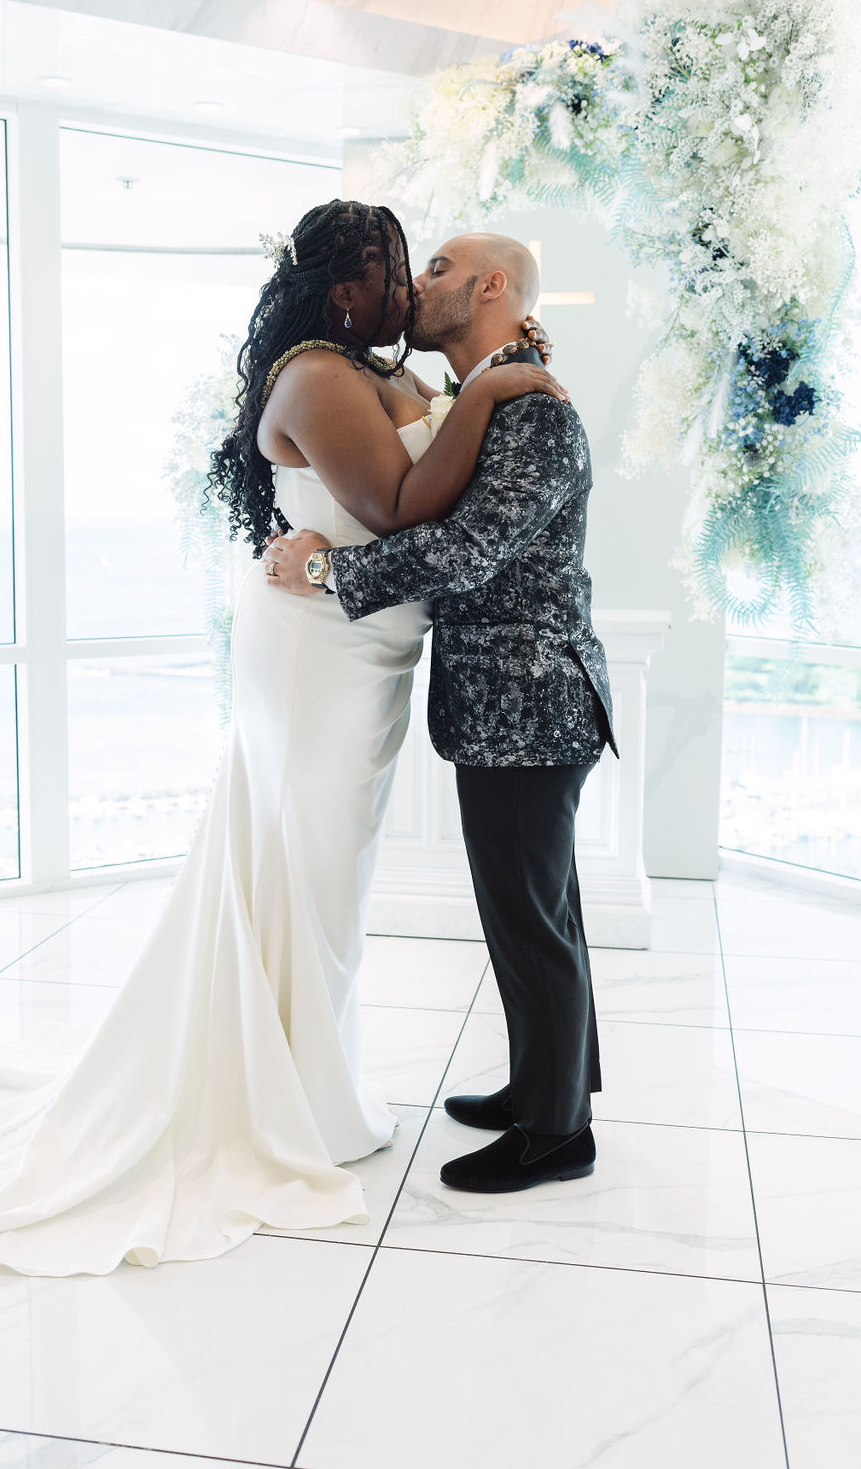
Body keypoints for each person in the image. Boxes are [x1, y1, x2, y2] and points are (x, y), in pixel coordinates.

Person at [0, 203, 566, 1275]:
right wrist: (488, 390)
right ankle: (286, 1106)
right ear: (335, 291)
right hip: (317, 650)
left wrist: (472, 387)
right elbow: (403, 500)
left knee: (329, 873)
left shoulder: (389, 371)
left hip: (371, 653)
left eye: (417, 265)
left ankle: (312, 1076)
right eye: (386, 271)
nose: (405, 288)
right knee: (306, 864)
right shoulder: (317, 372)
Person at [265, 232, 618, 1195]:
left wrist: (327, 567)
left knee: (530, 916)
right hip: (514, 705)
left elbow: (466, 549)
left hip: (532, 702)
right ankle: (551, 1088)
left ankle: (556, 1134)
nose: (417, 284)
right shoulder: (491, 392)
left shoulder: (534, 415)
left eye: (438, 270)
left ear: (493, 287)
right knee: (538, 913)